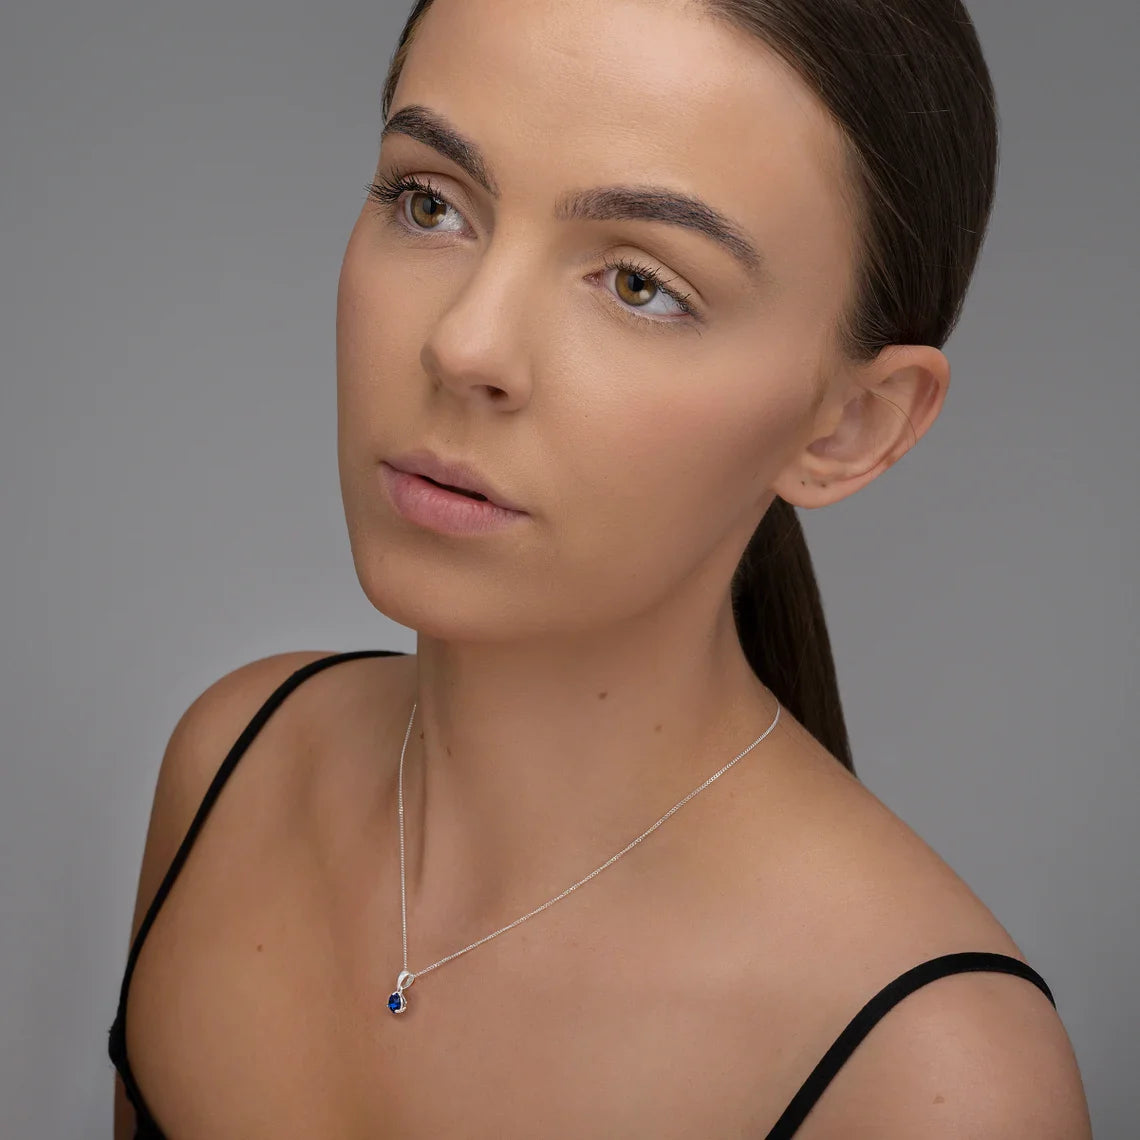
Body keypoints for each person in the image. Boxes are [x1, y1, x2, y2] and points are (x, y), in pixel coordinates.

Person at [108, 0, 1093, 1135]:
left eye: (638, 284)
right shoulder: (232, 767)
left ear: (852, 426)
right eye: (430, 203)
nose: (463, 344)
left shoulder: (939, 1079)